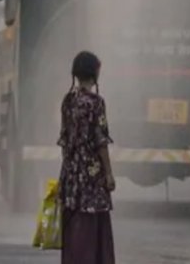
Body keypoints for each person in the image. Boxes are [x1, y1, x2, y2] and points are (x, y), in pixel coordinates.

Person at [58, 51, 115, 264]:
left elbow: (64, 139)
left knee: (73, 224)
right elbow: (101, 141)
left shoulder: (68, 101)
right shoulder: (96, 103)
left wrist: (68, 169)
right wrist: (108, 173)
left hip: (71, 174)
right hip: (92, 176)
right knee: (92, 226)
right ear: (95, 72)